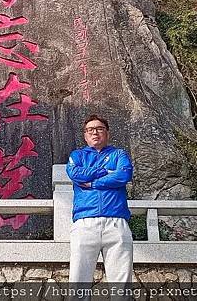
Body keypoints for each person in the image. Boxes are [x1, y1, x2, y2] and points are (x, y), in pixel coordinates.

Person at [66, 114, 134, 285]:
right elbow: (75, 174)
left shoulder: (119, 154)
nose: (95, 133)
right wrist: (104, 171)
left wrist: (93, 182)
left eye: (99, 129)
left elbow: (123, 175)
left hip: (116, 222)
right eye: (90, 130)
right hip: (84, 222)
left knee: (121, 286)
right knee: (78, 282)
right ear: (85, 135)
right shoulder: (77, 155)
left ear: (107, 133)